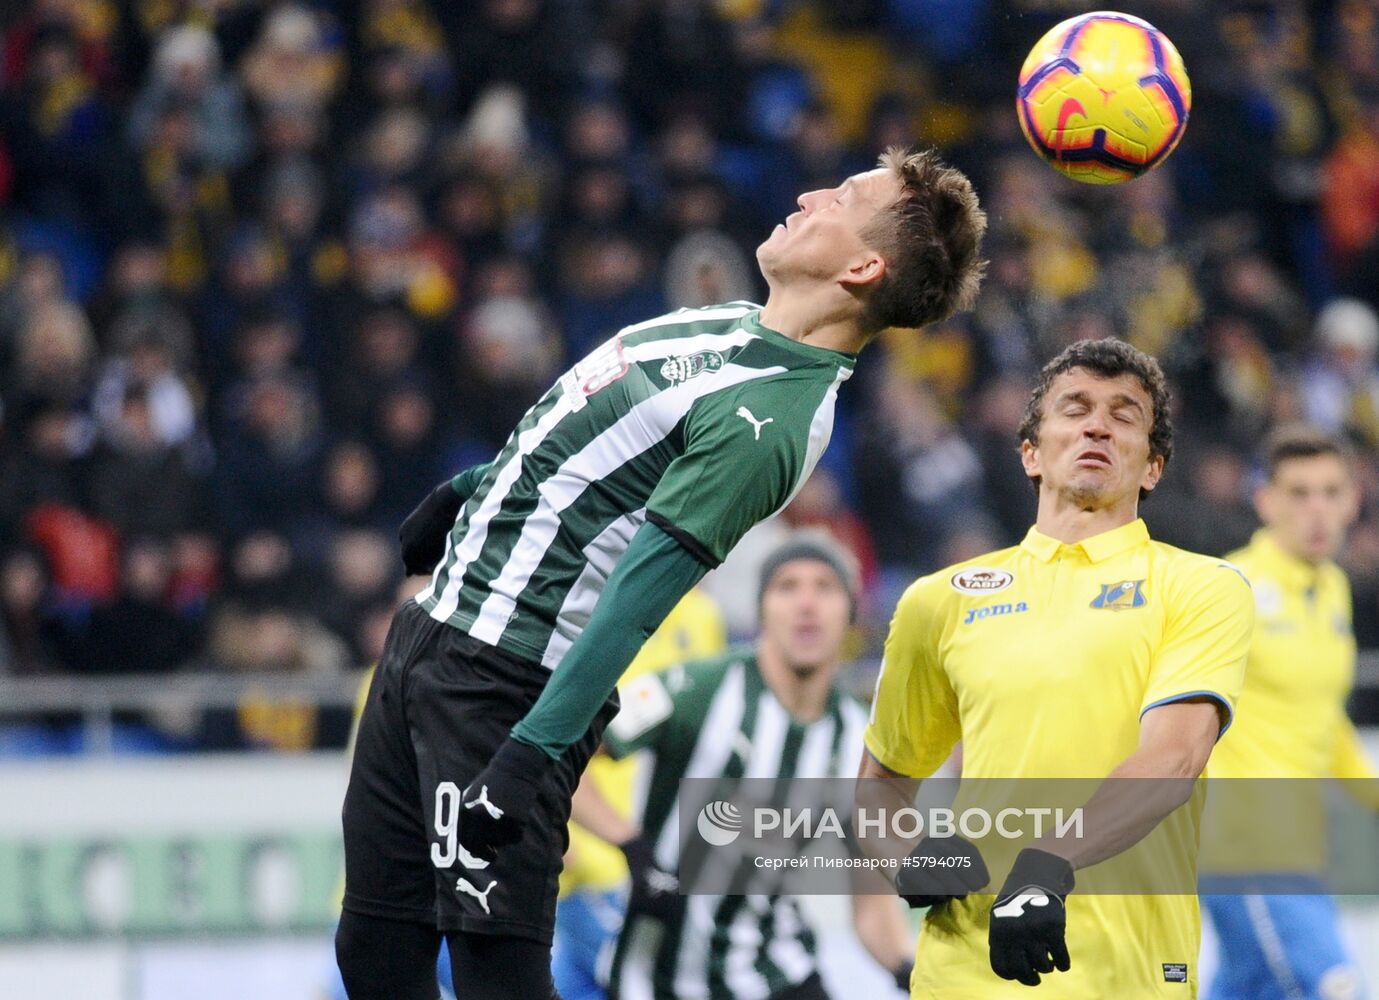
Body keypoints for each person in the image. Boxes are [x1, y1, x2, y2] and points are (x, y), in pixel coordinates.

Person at [335, 148, 988, 1000]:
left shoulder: (772, 419)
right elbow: (591, 446)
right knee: (375, 952)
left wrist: (531, 753)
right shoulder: (727, 325)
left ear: (863, 268)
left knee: (496, 973)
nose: (807, 195)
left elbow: (637, 596)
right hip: (431, 633)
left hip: (503, 677)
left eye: (841, 197)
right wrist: (469, 489)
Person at [863, 338, 1255, 997]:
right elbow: (878, 787)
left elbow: (1174, 757)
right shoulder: (939, 600)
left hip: (1129, 972)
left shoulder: (1201, 587)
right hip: (965, 971)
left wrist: (1048, 861)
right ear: (1030, 453)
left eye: (1124, 415)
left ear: (1153, 468)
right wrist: (908, 857)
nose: (1097, 425)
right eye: (1074, 409)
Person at [571, 535, 914, 1000]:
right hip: (656, 980)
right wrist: (630, 845)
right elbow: (563, 749)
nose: (807, 604)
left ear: (850, 614)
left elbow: (870, 903)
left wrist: (909, 972)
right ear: (761, 611)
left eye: (825, 587)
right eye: (787, 587)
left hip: (778, 974)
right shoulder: (694, 688)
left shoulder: (858, 737)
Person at [1201, 426, 1379, 1000]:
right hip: (1245, 847)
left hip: (1302, 848)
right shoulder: (1228, 588)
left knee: (1250, 987)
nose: (1317, 510)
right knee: (1335, 986)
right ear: (1266, 502)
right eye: (1299, 493)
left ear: (1353, 500)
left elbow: (1325, 722)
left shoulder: (1333, 589)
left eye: (1331, 492)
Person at [552, 586, 726, 1000]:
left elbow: (714, 731)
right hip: (599, 859)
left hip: (666, 860)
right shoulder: (582, 603)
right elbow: (554, 734)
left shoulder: (701, 613)